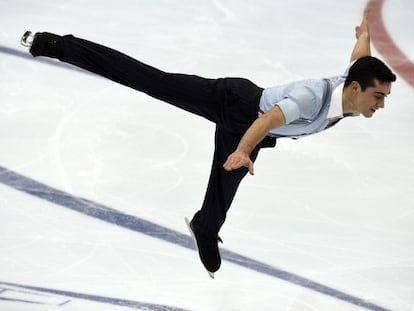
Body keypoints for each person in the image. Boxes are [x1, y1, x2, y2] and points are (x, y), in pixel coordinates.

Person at [20, 9, 396, 277]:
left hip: (251, 128)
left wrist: (363, 36)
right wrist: (243, 151)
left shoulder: (351, 89)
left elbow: (359, 59)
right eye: (378, 97)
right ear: (354, 89)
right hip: (235, 104)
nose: (380, 105)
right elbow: (266, 120)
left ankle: (204, 226)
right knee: (149, 79)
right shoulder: (313, 98)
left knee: (222, 194)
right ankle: (56, 45)